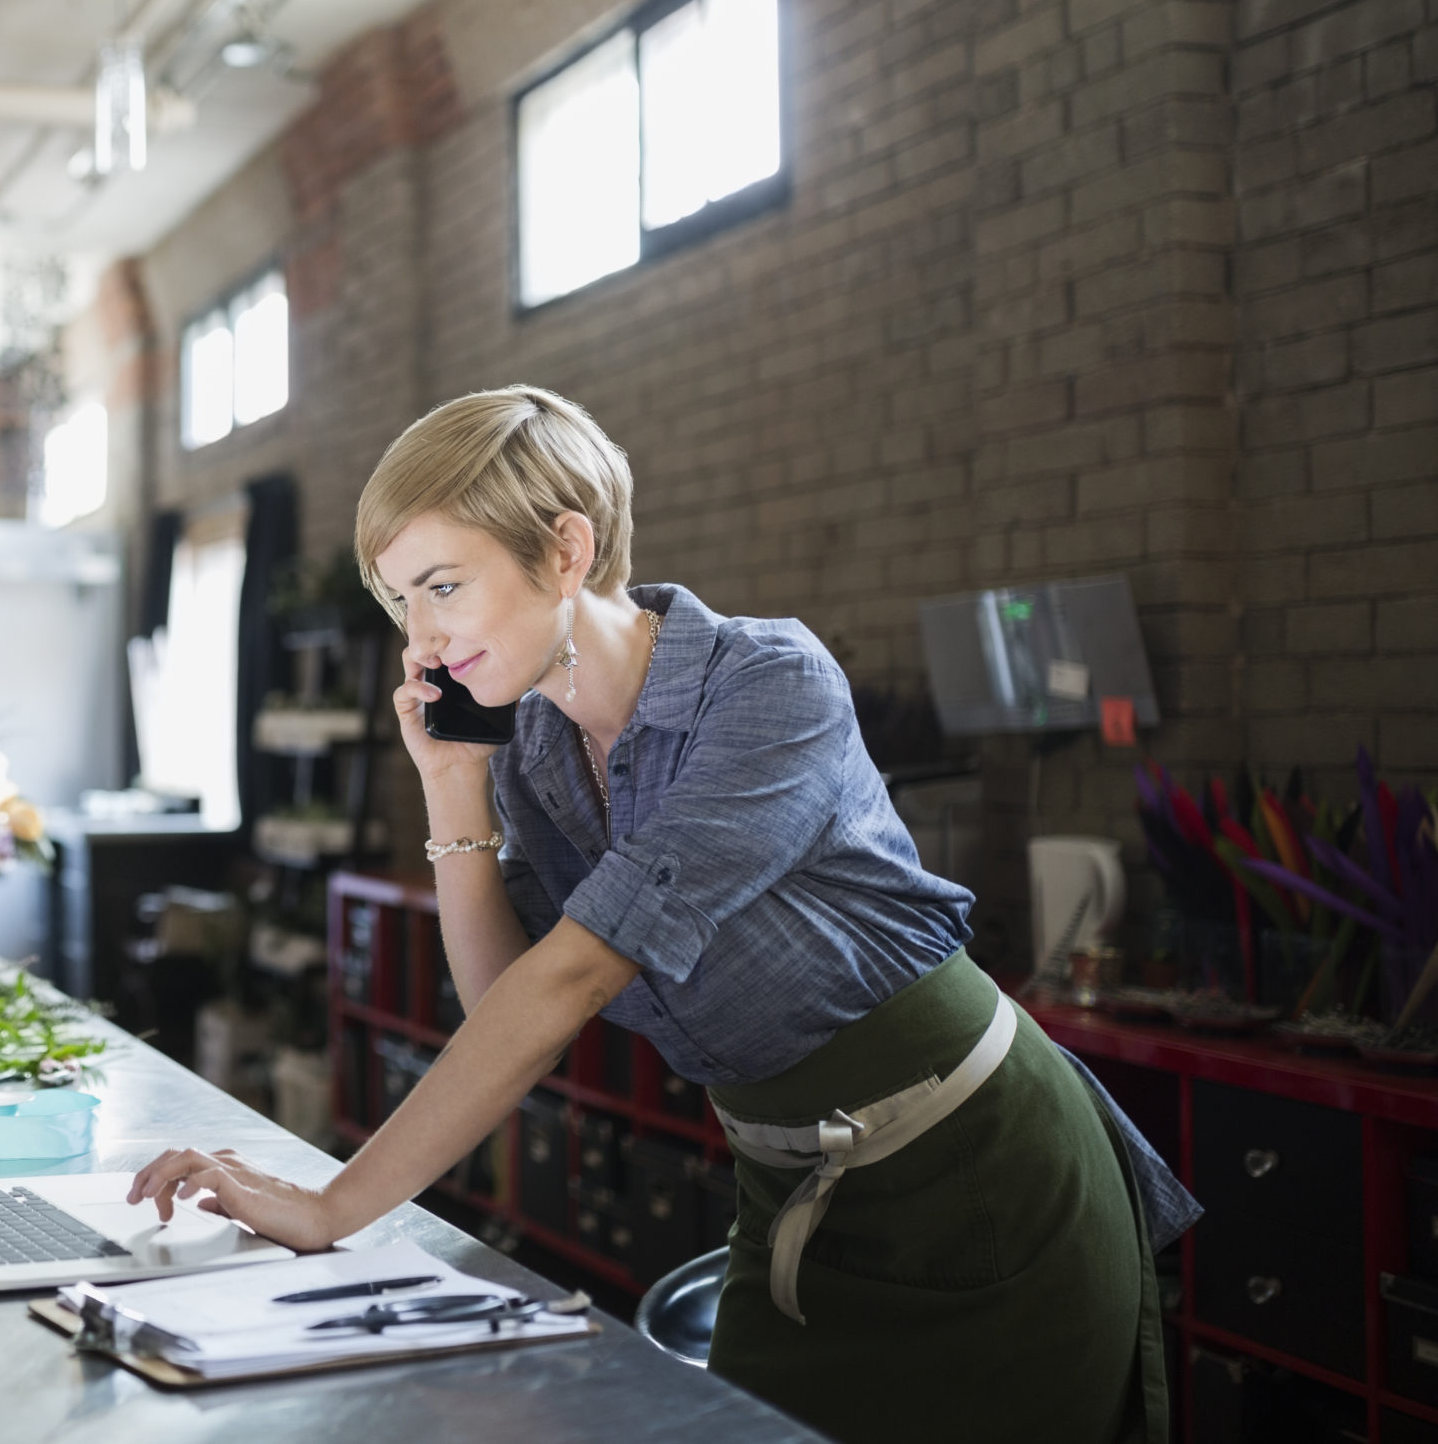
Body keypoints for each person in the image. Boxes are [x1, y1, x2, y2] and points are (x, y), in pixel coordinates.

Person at [128, 385, 1193, 1444]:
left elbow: (575, 978)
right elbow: (507, 1010)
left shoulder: (768, 686)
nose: (422, 639)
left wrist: (332, 1206)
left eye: (444, 585)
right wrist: (451, 787)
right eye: (401, 601)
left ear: (565, 551)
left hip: (977, 1175)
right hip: (790, 1189)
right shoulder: (535, 749)